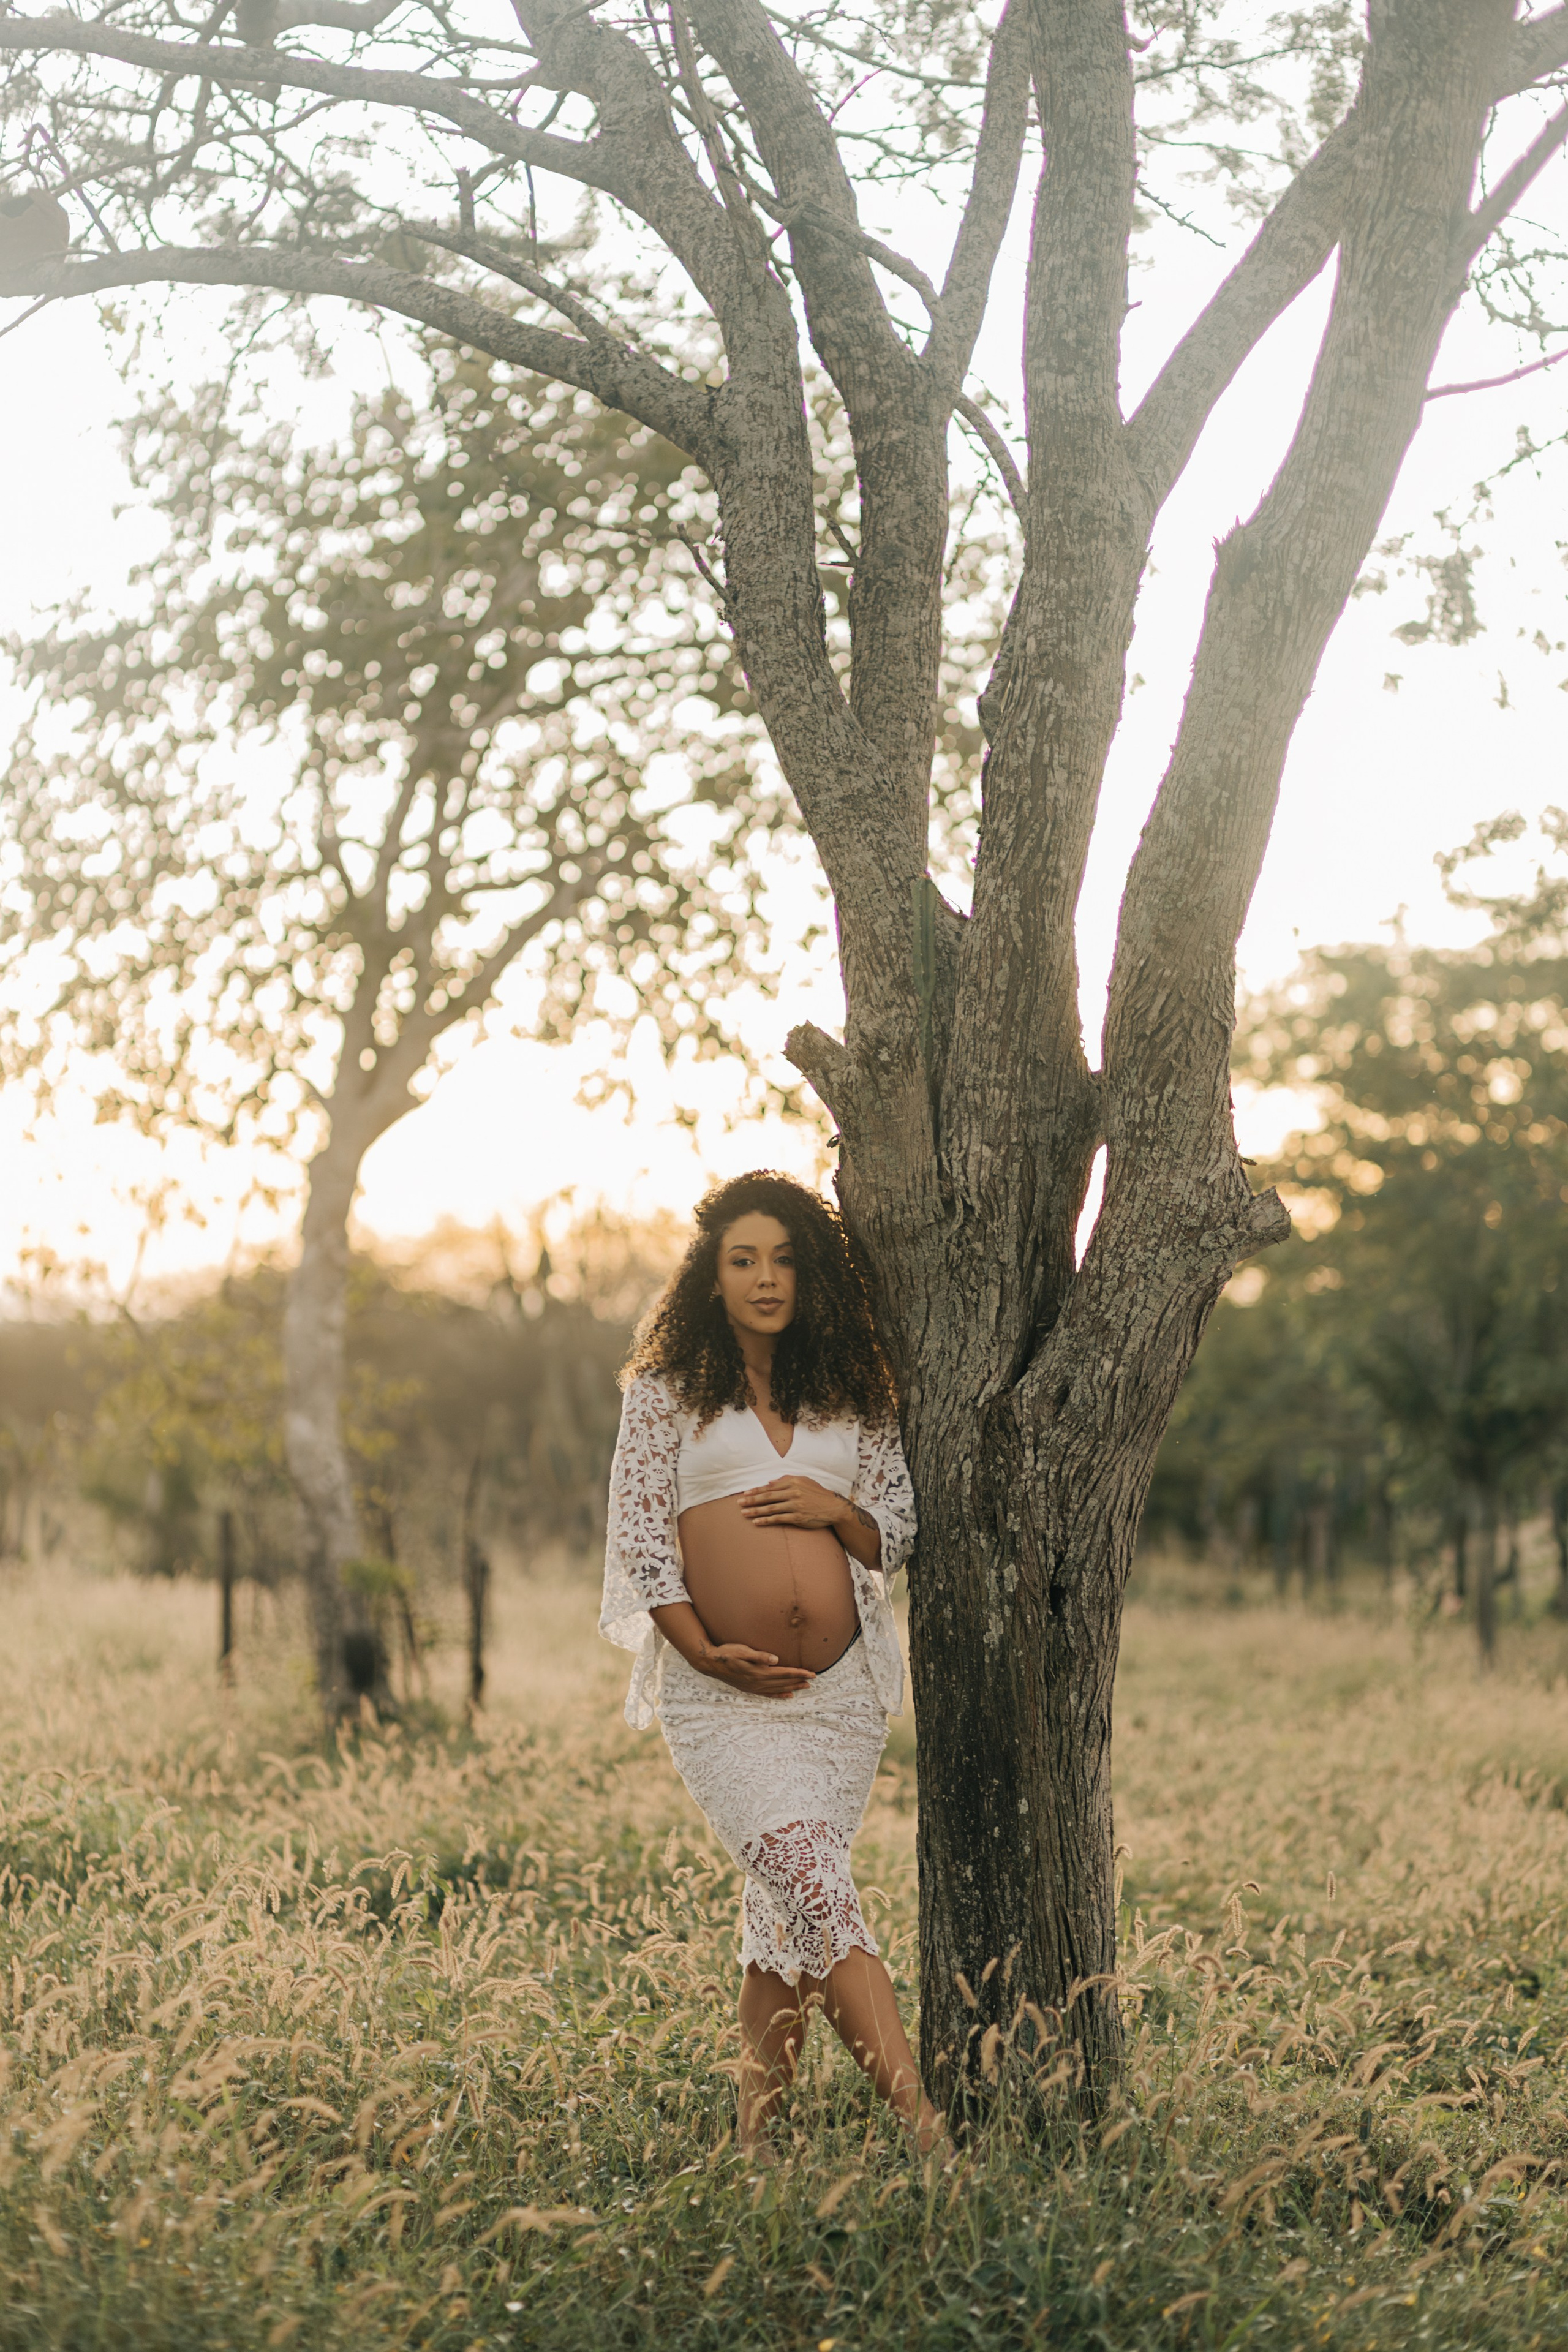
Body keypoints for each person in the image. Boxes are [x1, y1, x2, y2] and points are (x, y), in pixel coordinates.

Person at [600, 1170, 946, 2159]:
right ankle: (928, 2136)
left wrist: (834, 1510)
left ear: (814, 1275)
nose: (765, 1278)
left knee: (784, 1919)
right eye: (744, 1260)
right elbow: (639, 1537)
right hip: (723, 1702)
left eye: (785, 1259)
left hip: (838, 1705)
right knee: (820, 1892)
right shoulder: (667, 1394)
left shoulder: (853, 1392)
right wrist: (704, 1651)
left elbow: (896, 1531)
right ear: (711, 1278)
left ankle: (756, 2145)